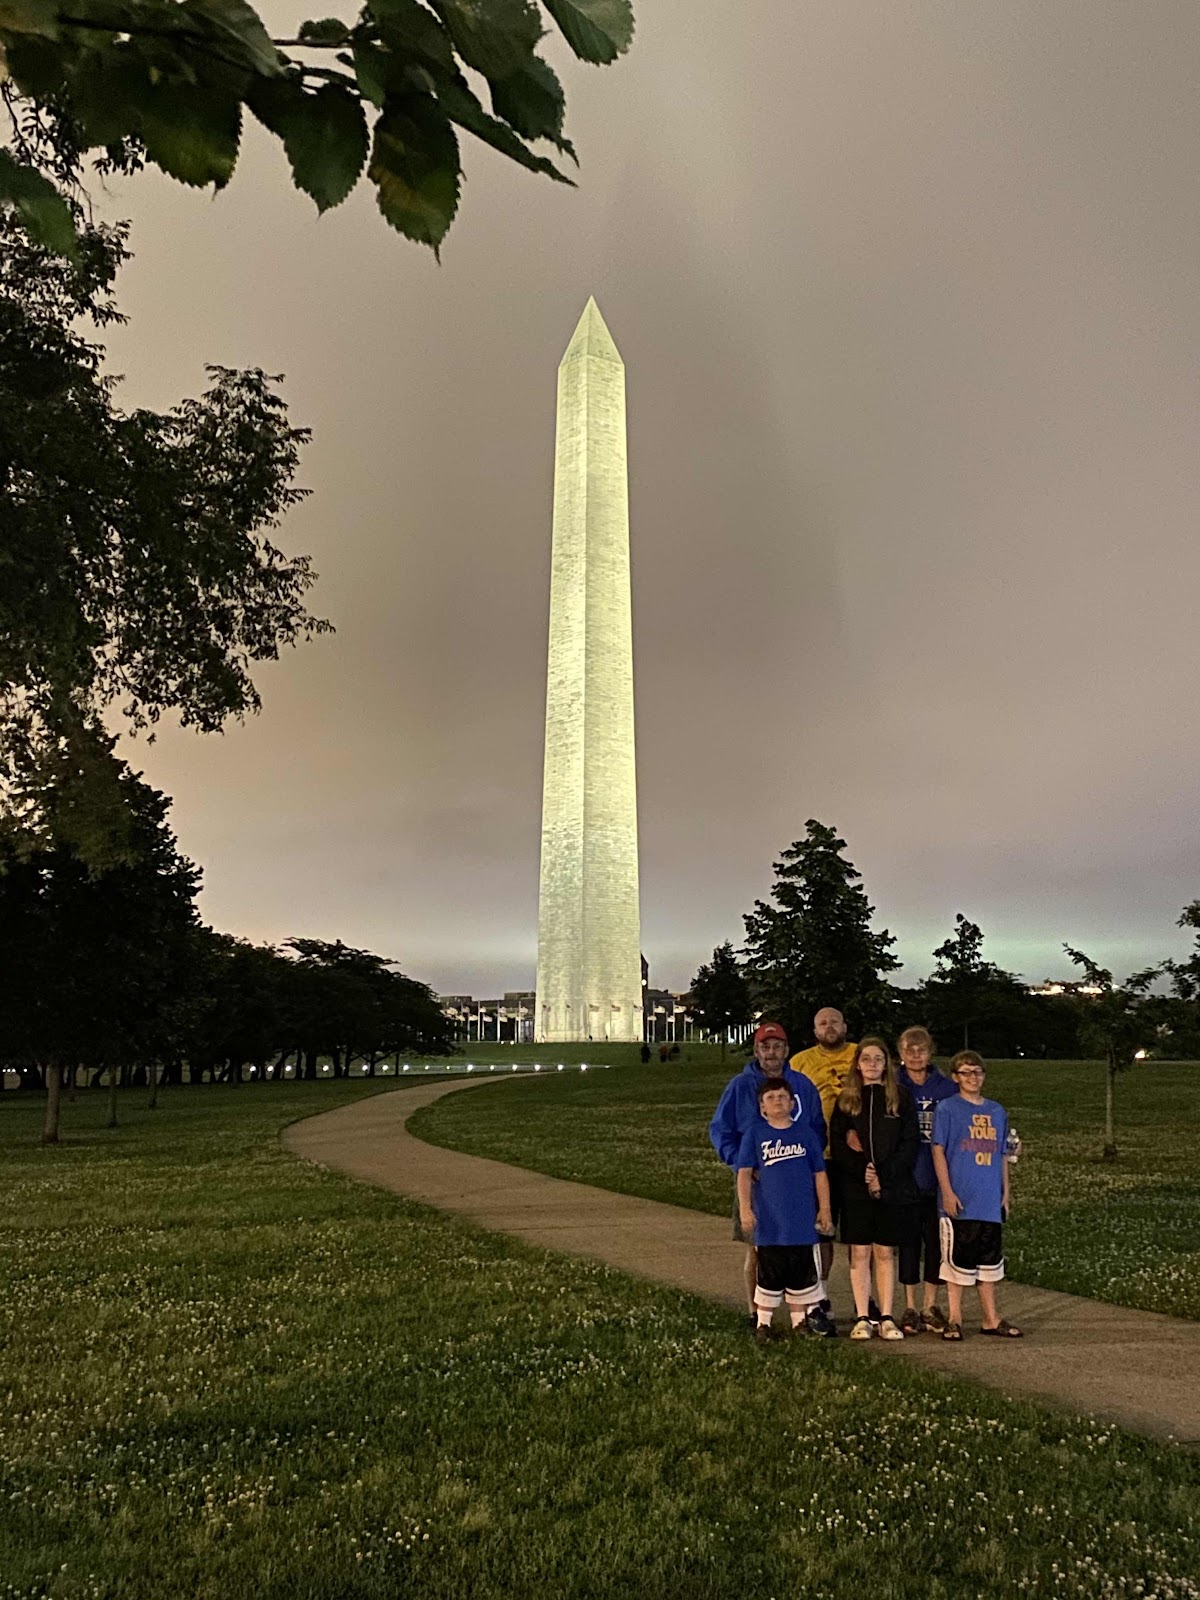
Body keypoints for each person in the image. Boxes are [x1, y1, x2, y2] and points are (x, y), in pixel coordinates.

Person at [709, 1022, 830, 1334]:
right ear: (756, 1050)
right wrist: (741, 1163)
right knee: (758, 1249)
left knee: (803, 1247)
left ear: (786, 1050)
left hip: (796, 1181)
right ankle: (758, 1314)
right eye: (765, 1047)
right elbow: (720, 1129)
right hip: (758, 1182)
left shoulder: (801, 1085)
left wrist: (804, 1162)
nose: (771, 1052)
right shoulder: (740, 1086)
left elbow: (817, 1127)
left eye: (777, 1046)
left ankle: (808, 1311)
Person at [829, 1037, 920, 1341]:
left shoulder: (900, 1099)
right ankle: (862, 1316)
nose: (871, 1064)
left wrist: (884, 1175)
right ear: (857, 1064)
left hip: (890, 1186)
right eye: (866, 1058)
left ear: (886, 1063)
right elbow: (838, 1144)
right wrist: (862, 1171)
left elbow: (910, 1142)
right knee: (859, 1252)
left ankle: (886, 1316)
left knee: (884, 1251)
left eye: (878, 1058)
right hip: (856, 1189)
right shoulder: (846, 1101)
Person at [931, 1050, 1023, 1341]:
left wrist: (1005, 1192)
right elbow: (938, 1151)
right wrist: (947, 1191)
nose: (973, 1077)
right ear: (956, 1077)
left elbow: (1003, 1154)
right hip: (961, 1197)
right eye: (966, 1072)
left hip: (988, 1199)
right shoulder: (947, 1109)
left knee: (988, 1263)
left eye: (978, 1072)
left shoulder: (997, 1111)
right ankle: (955, 1318)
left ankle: (990, 1318)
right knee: (958, 1263)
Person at [737, 1080, 833, 1343]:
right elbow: (744, 1173)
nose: (777, 1101)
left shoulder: (805, 1133)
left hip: (801, 1219)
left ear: (792, 1103)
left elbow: (819, 1173)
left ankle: (798, 1322)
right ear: (762, 1107)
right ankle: (763, 1323)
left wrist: (825, 1209)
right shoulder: (755, 1133)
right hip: (770, 1220)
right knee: (769, 1270)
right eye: (770, 1097)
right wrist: (745, 1209)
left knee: (800, 1271)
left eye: (782, 1096)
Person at [790, 1006, 858, 1320]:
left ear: (845, 1026)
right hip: (819, 1158)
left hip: (857, 1159)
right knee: (823, 1230)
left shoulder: (860, 1055)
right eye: (822, 1023)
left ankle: (863, 1298)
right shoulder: (800, 1062)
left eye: (834, 1021)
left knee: (859, 1234)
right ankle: (821, 1295)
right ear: (814, 1031)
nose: (829, 1027)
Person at [896, 1026, 957, 1333]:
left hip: (937, 1177)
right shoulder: (894, 1084)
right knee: (908, 1242)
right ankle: (909, 1305)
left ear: (931, 1052)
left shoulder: (945, 1088)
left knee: (935, 1244)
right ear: (900, 1053)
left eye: (921, 1050)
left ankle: (929, 1304)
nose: (916, 1055)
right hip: (906, 1175)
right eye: (910, 1050)